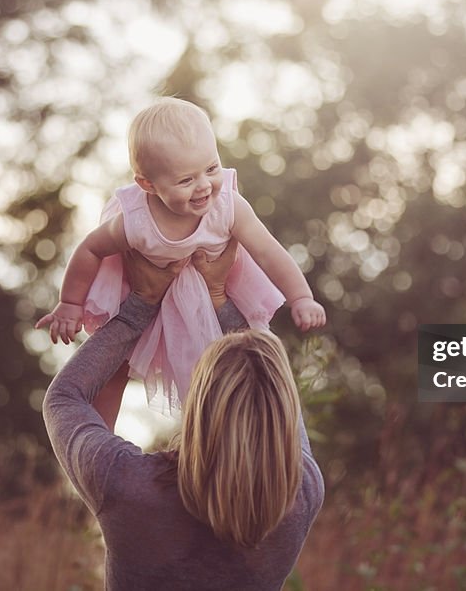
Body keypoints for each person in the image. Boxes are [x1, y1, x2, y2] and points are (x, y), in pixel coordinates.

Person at [42, 242, 325, 590]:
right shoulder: (301, 492)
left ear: (199, 404)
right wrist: (219, 295)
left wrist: (139, 306)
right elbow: (270, 385)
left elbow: (65, 398)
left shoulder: (127, 485)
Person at [36, 97, 325, 426]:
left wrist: (302, 297)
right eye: (186, 180)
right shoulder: (136, 220)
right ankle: (104, 437)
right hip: (148, 300)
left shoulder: (228, 206)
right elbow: (90, 249)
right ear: (148, 185)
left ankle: (227, 440)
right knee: (114, 369)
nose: (204, 185)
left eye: (212, 169)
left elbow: (269, 252)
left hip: (213, 296)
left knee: (239, 365)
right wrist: (70, 303)